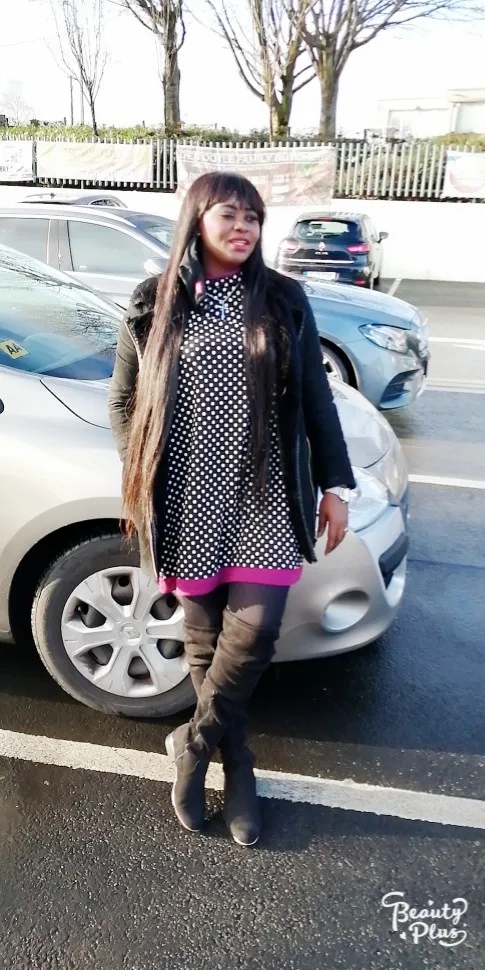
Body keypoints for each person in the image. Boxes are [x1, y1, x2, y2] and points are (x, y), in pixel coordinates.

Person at [108, 172, 355, 847]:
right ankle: (238, 762)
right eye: (228, 214)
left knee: (253, 633)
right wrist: (140, 472)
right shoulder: (152, 300)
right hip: (188, 494)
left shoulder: (282, 298)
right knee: (204, 638)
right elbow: (125, 400)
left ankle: (194, 745)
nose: (243, 227)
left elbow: (316, 398)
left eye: (253, 216)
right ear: (197, 219)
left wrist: (335, 486)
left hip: (265, 493)